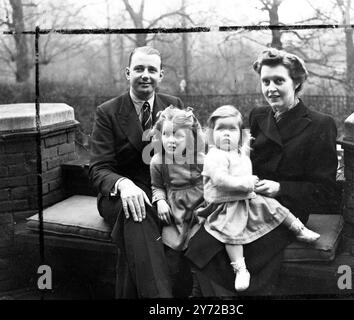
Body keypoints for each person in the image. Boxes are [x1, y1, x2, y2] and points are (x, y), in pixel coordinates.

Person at [185, 48, 338, 297]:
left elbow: (327, 191)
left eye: (279, 81)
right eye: (265, 81)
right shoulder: (257, 116)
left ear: (297, 82)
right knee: (201, 246)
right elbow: (235, 158)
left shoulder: (320, 124)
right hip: (242, 201)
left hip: (285, 209)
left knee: (247, 261)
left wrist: (280, 187)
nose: (271, 88)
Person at [89, 46, 184, 298]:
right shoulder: (107, 112)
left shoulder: (174, 105)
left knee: (135, 236)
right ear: (127, 72)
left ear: (161, 75)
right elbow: (98, 168)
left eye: (152, 70)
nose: (145, 75)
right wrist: (123, 184)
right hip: (118, 196)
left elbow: (186, 155)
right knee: (136, 214)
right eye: (139, 69)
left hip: (162, 192)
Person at [198, 105, 320, 292]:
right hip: (225, 204)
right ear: (211, 133)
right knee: (232, 233)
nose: (226, 134)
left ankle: (299, 228)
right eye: (220, 129)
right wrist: (246, 183)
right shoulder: (215, 156)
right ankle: (240, 268)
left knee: (274, 206)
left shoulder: (240, 152)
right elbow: (221, 180)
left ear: (241, 133)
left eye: (232, 129)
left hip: (245, 198)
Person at [149, 106, 205, 296]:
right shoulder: (158, 161)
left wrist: (207, 209)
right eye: (166, 134)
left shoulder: (199, 159)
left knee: (199, 253)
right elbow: (157, 186)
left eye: (178, 136)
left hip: (198, 212)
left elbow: (211, 186)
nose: (171, 140)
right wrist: (160, 201)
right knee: (170, 256)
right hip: (175, 213)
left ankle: (197, 293)